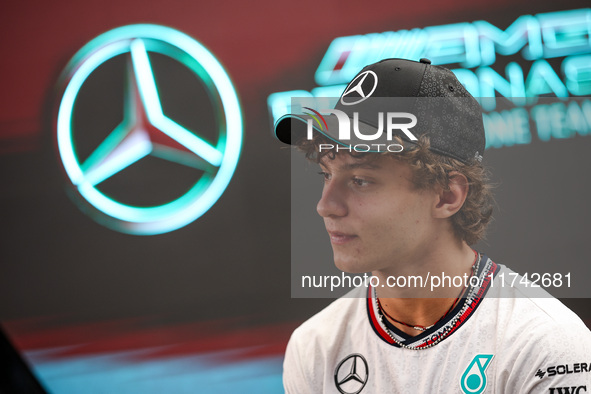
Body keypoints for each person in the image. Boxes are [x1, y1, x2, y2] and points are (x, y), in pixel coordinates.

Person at [274, 58, 591, 394]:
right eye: (327, 174)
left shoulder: (545, 346)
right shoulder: (314, 348)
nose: (325, 206)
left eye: (361, 180)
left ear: (446, 195)